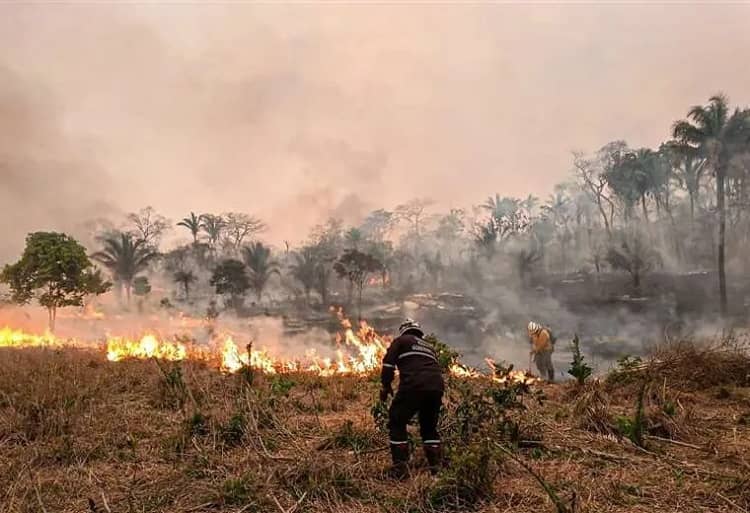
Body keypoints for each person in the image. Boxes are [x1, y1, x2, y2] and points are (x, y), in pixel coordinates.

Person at [380, 318, 445, 478]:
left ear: (403, 330)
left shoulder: (401, 341)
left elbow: (388, 364)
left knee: (396, 420)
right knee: (429, 428)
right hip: (436, 388)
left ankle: (400, 469)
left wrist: (386, 386)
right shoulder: (429, 347)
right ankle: (436, 470)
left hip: (414, 385)